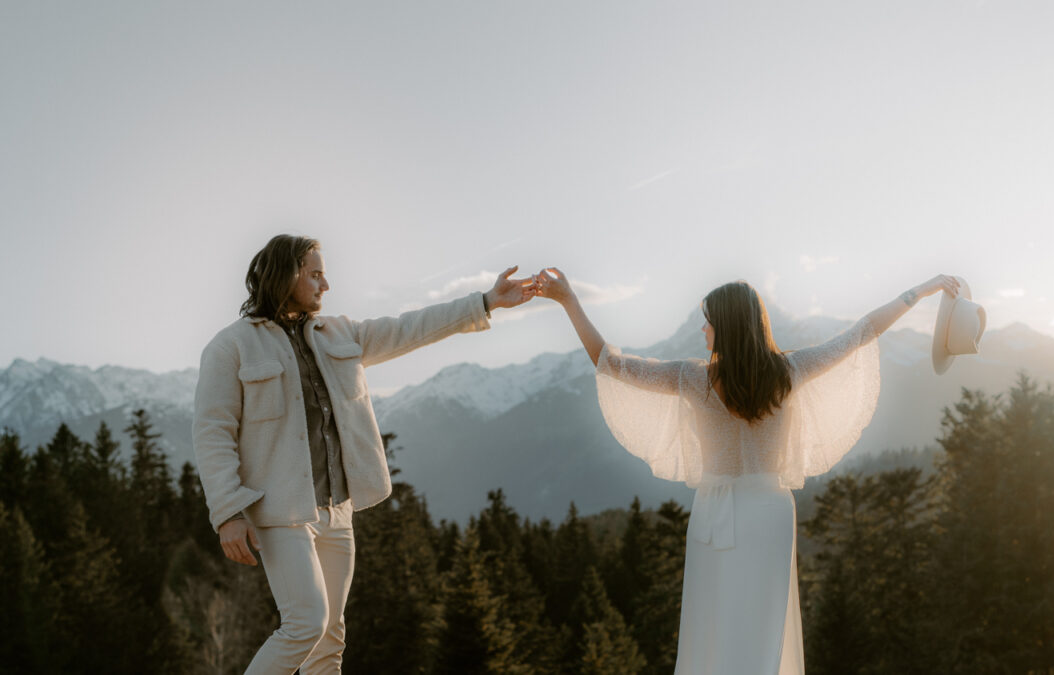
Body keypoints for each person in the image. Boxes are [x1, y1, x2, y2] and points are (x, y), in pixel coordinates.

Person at [534, 267, 961, 674]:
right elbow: (862, 333)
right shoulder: (790, 371)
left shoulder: (691, 379)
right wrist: (919, 292)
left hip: (715, 515)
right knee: (763, 625)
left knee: (714, 625)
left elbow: (609, 362)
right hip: (770, 512)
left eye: (708, 322)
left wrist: (569, 301)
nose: (702, 329)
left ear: (726, 325)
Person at [192, 234, 535, 674]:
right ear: (287, 275)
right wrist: (228, 513)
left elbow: (411, 327)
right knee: (304, 625)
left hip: (338, 511)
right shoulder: (231, 346)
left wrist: (485, 302)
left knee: (330, 640)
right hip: (280, 513)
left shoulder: (339, 333)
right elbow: (212, 432)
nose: (325, 284)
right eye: (315, 274)